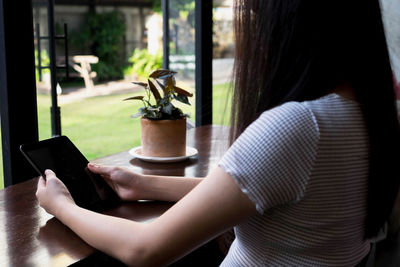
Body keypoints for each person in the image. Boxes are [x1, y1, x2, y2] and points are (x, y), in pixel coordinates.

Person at [36, 0, 400, 266]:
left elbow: (145, 249)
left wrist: (62, 206)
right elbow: (261, 194)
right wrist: (144, 184)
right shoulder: (371, 115)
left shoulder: (298, 127)